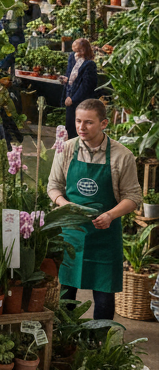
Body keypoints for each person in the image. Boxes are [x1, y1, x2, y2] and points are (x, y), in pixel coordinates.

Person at [47, 98, 142, 322]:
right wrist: (64, 204)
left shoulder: (122, 156)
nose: (81, 127)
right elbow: (53, 187)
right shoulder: (67, 149)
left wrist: (110, 215)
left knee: (104, 295)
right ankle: (65, 340)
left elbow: (134, 197)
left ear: (104, 123)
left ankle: (99, 343)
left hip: (105, 235)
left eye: (89, 122)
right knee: (66, 293)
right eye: (78, 121)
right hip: (72, 232)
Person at [61, 38, 98, 140]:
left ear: (84, 50)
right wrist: (66, 80)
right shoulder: (72, 58)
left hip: (80, 101)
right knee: (70, 126)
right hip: (70, 97)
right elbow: (70, 76)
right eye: (75, 51)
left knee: (80, 127)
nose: (76, 53)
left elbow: (87, 86)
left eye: (79, 51)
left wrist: (73, 99)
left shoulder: (89, 64)